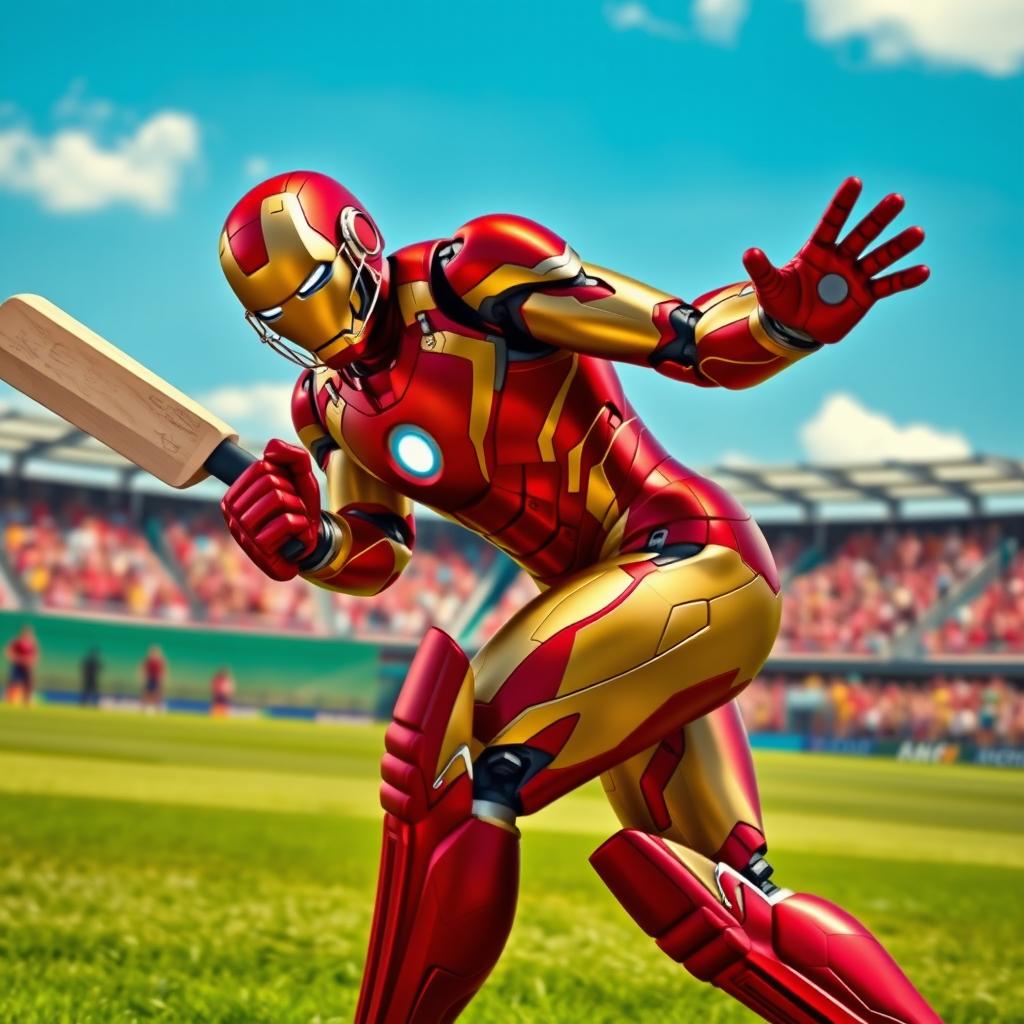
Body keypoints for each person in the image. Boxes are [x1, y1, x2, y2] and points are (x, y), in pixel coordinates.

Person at [218, 172, 938, 1022]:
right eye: (276, 316)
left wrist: (782, 324)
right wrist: (307, 543)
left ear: (357, 248)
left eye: (307, 288)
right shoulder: (329, 405)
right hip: (613, 621)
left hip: (693, 562)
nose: (305, 323)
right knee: (735, 901)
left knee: (453, 764)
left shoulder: (472, 277)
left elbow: (689, 340)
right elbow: (374, 552)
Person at [5, 625, 38, 705]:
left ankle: (27, 700)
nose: (27, 634)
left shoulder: (32, 643)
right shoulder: (17, 641)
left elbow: (35, 654)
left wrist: (30, 661)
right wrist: (17, 659)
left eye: (29, 632)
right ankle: (10, 699)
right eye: (26, 632)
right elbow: (9, 652)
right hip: (17, 665)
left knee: (28, 683)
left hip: (27, 667)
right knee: (14, 682)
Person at [140, 645, 166, 711]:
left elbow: (163, 670)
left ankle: (158, 708)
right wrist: (143, 677)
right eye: (153, 652)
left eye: (155, 652)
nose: (154, 653)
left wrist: (162, 679)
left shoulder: (160, 661)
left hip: (156, 679)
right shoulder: (147, 660)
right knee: (146, 693)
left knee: (157, 694)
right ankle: (143, 707)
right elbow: (143, 669)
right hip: (149, 678)